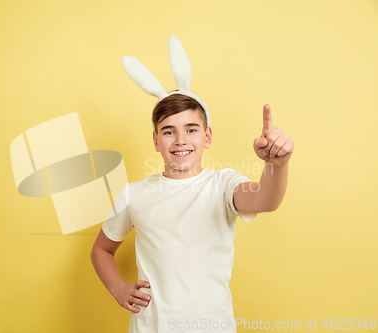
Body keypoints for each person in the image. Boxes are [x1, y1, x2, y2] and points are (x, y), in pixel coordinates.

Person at [90, 37, 294, 333]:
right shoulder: (134, 194)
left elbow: (266, 200)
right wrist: (118, 288)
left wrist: (277, 164)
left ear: (207, 137)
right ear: (156, 140)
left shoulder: (223, 184)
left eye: (191, 129)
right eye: (169, 131)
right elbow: (101, 250)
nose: (181, 140)